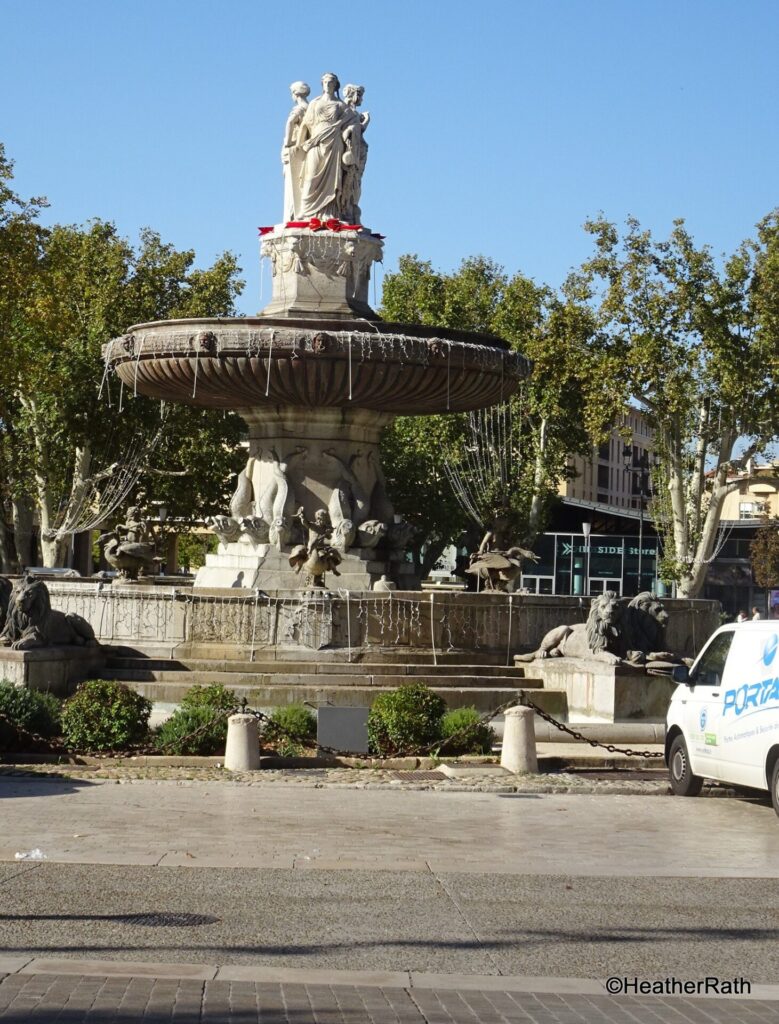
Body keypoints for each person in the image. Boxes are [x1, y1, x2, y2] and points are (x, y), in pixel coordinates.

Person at [296, 72, 359, 220]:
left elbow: (353, 120)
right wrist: (298, 144)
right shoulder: (314, 103)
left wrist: (349, 130)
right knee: (310, 176)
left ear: (335, 85)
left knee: (332, 179)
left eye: (331, 82)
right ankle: (307, 210)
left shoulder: (340, 105)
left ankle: (330, 212)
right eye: (325, 82)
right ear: (322, 84)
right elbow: (306, 124)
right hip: (316, 141)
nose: (328, 85)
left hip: (334, 144)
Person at [281, 81, 310, 221]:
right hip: (306, 150)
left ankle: (292, 217)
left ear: (295, 93)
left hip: (295, 150)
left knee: (292, 187)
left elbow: (290, 122)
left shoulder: (299, 109)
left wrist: (288, 142)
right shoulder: (311, 107)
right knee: (302, 183)